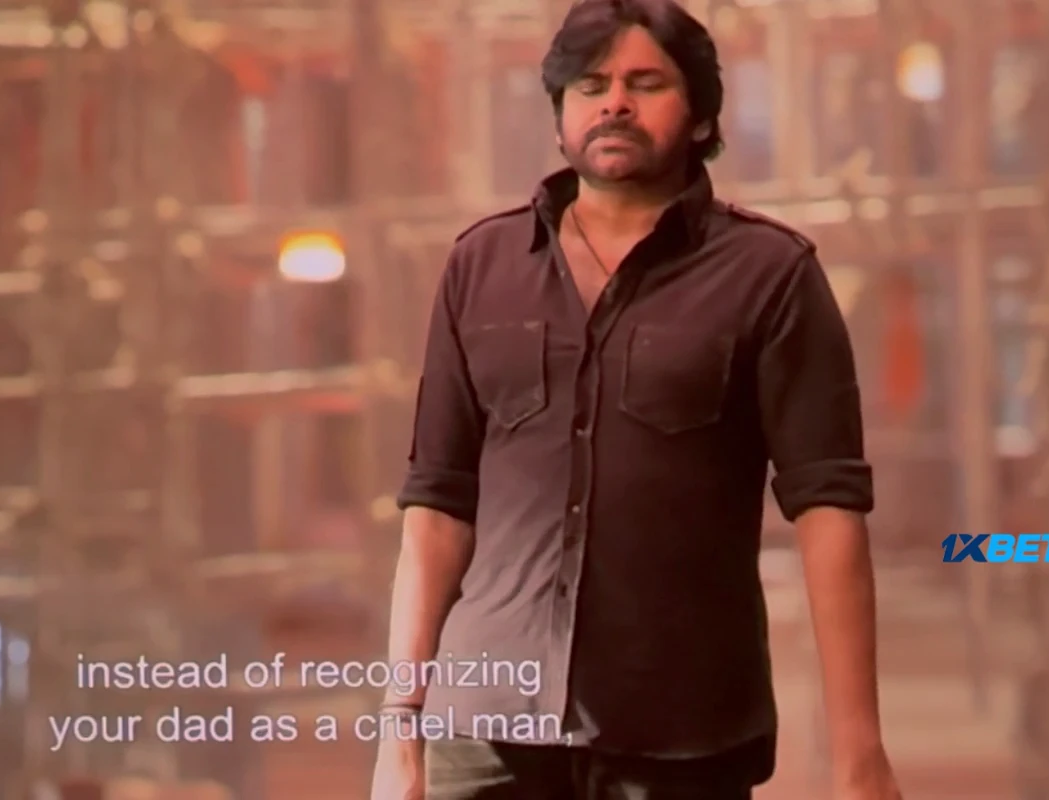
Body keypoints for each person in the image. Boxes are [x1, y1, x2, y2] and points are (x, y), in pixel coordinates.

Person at [368, 1, 904, 798]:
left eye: (645, 83)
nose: (614, 103)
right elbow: (437, 509)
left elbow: (829, 513)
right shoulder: (481, 265)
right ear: (560, 117)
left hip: (683, 736)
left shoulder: (771, 275)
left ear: (701, 117)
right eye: (590, 86)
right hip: (482, 735)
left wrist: (860, 756)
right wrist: (400, 730)